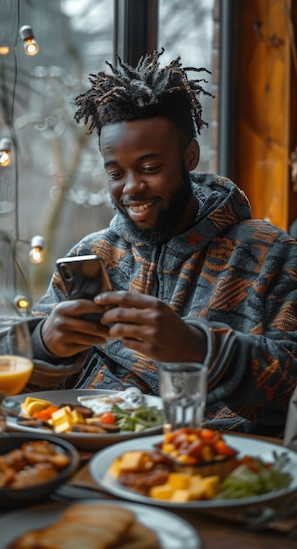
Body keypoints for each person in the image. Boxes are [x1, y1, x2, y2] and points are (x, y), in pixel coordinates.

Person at [29, 50, 297, 437]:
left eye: (150, 168)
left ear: (190, 156)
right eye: (116, 173)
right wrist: (43, 345)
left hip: (209, 465)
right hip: (92, 451)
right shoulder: (95, 254)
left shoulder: (273, 255)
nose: (132, 187)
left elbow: (291, 384)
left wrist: (197, 348)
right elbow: (0, 371)